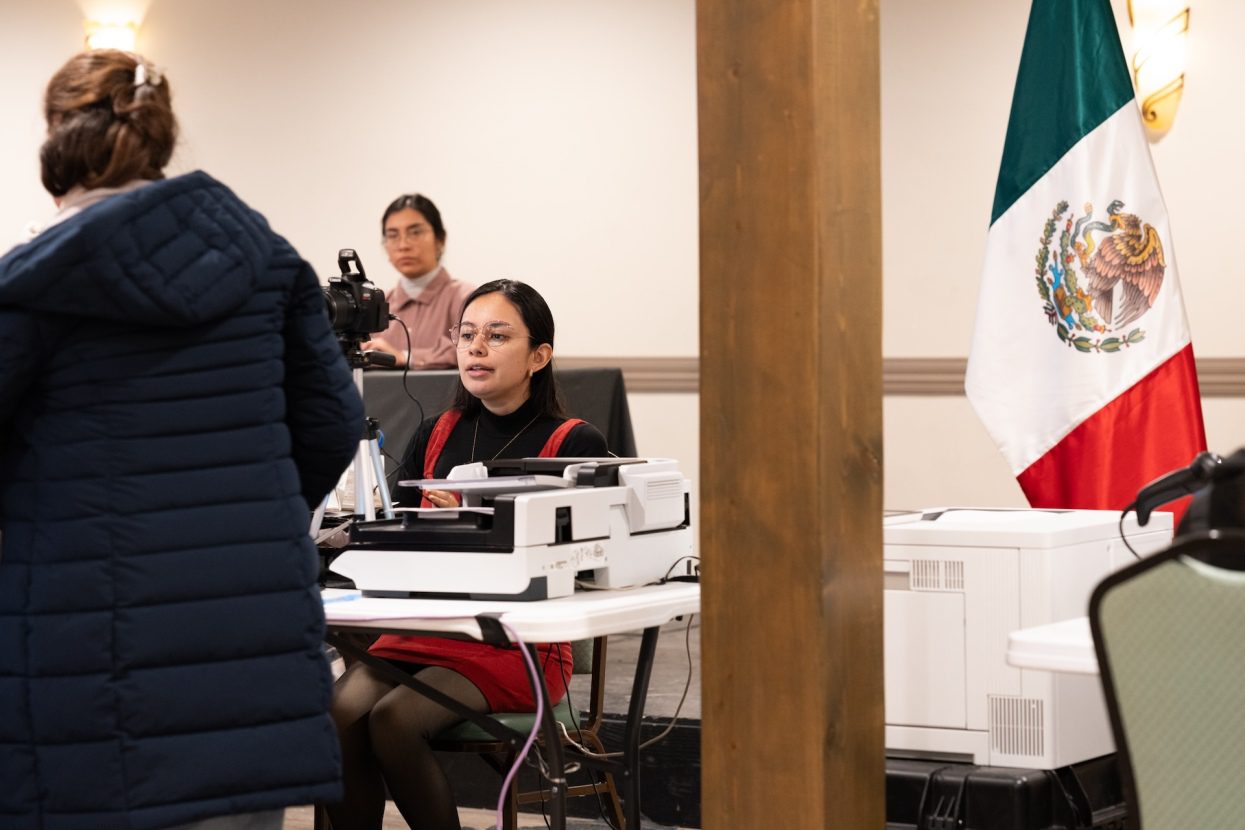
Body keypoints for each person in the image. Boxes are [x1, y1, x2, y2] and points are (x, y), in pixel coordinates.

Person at [0, 50, 364, 830]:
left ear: (57, 138)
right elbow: (331, 423)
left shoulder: (33, 283)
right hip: (249, 630)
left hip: (79, 644)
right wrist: (247, 511)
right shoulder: (265, 259)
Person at [327, 279, 608, 830]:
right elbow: (394, 533)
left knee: (394, 721)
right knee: (335, 716)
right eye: (468, 334)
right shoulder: (438, 432)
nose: (476, 348)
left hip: (518, 642)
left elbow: (588, 564)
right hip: (427, 626)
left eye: (497, 336)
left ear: (539, 356)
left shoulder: (574, 442)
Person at [362, 193, 475, 370]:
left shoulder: (467, 298)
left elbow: (475, 351)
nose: (403, 245)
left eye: (415, 232)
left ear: (440, 239)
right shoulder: (377, 303)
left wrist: (405, 357)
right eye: (393, 235)